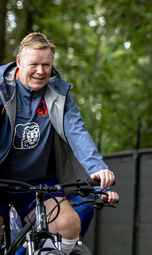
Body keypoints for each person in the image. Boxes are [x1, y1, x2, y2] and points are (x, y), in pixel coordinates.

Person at [0, 32, 119, 254]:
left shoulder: (58, 91)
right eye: (33, 64)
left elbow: (77, 131)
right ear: (18, 62)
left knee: (69, 225)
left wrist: (97, 167)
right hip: (1, 180)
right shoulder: (1, 89)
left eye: (46, 64)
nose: (40, 71)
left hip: (35, 184)